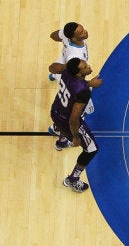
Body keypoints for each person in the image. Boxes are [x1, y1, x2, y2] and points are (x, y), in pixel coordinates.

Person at [50, 58, 101, 192]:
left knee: (62, 125)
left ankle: (61, 142)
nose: (88, 66)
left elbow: (52, 68)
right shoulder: (83, 92)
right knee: (91, 149)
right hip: (67, 120)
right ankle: (72, 180)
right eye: (85, 67)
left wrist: (66, 66)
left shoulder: (67, 71)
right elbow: (74, 118)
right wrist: (75, 137)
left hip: (56, 110)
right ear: (78, 73)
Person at [47, 22, 100, 138]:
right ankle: (58, 131)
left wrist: (61, 34)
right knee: (78, 111)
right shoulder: (76, 58)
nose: (85, 31)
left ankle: (54, 76)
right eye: (81, 33)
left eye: (83, 29)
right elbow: (75, 82)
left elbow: (53, 36)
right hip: (69, 75)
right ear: (73, 38)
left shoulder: (67, 34)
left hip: (64, 61)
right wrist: (90, 83)